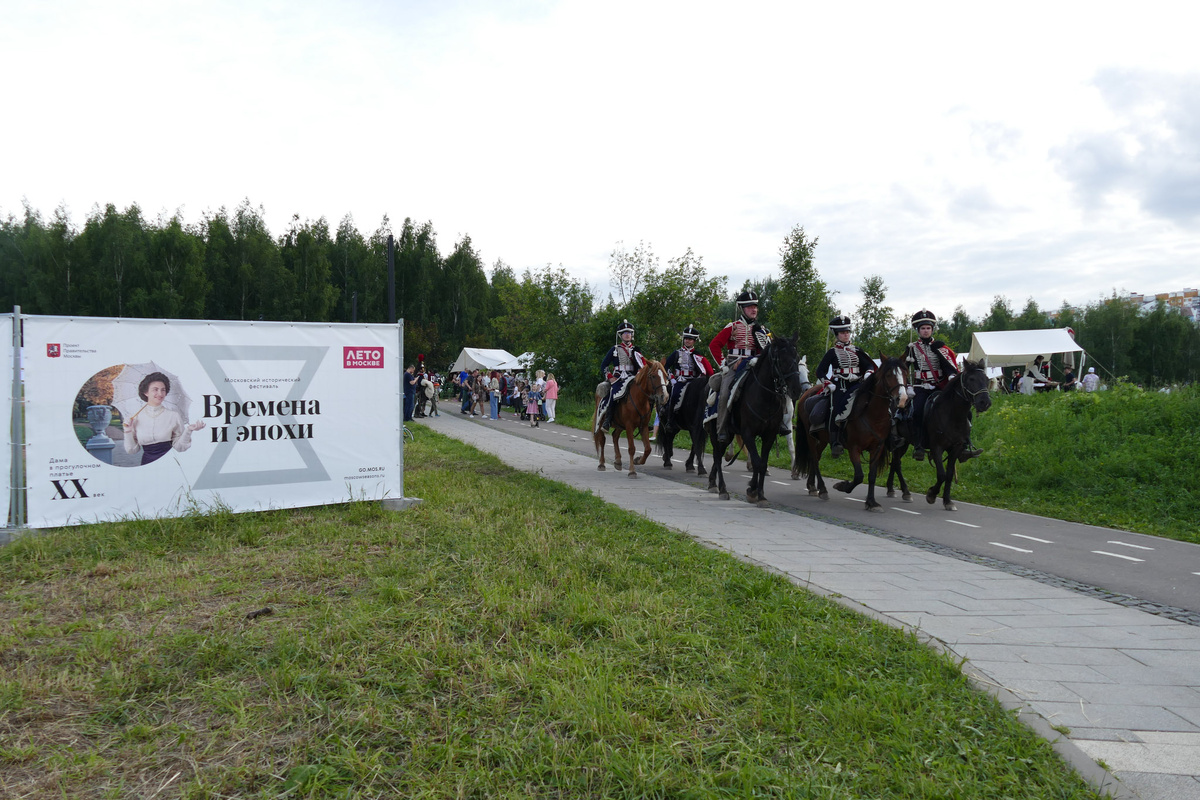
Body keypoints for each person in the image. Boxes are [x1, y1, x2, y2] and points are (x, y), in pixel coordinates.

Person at [903, 310, 981, 461]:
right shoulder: (912, 348)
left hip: (941, 387)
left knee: (965, 411)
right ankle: (918, 445)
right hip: (921, 387)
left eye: (928, 328)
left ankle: (965, 445)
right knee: (917, 411)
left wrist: (952, 377)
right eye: (922, 328)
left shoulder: (941, 348)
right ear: (918, 331)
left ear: (932, 330)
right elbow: (904, 369)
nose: (925, 331)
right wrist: (909, 386)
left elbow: (949, 367)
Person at [708, 290, 774, 443]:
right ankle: (722, 428)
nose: (754, 310)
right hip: (733, 365)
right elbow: (714, 345)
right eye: (750, 307)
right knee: (724, 394)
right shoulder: (733, 327)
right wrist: (723, 364)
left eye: (755, 307)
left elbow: (765, 352)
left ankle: (780, 423)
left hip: (753, 365)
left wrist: (757, 358)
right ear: (742, 309)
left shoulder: (761, 330)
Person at [812, 315, 873, 458]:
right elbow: (820, 371)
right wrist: (828, 383)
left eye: (847, 332)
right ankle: (835, 442)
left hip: (858, 383)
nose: (846, 335)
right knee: (835, 408)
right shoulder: (832, 352)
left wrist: (869, 372)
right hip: (840, 384)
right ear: (837, 335)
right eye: (842, 333)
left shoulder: (857, 350)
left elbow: (869, 364)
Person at [123, 371, 206, 466]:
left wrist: (188, 431)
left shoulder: (173, 416)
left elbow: (180, 447)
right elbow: (131, 450)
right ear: (146, 392)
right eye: (155, 389)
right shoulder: (136, 418)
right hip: (146, 464)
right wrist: (128, 431)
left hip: (169, 464)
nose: (160, 393)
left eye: (163, 390)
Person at [662, 324, 714, 431]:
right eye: (686, 338)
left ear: (694, 341)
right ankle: (670, 420)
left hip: (693, 381)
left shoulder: (697, 355)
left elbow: (704, 370)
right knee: (674, 394)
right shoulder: (677, 353)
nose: (687, 341)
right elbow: (665, 366)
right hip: (680, 380)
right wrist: (671, 378)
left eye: (690, 339)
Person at [597, 319, 647, 430]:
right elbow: (604, 365)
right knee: (613, 393)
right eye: (625, 333)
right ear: (621, 335)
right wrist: (610, 378)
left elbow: (642, 365)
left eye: (629, 333)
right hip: (618, 378)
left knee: (646, 393)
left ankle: (645, 421)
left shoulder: (636, 350)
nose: (627, 335)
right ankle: (608, 420)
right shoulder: (615, 349)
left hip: (633, 377)